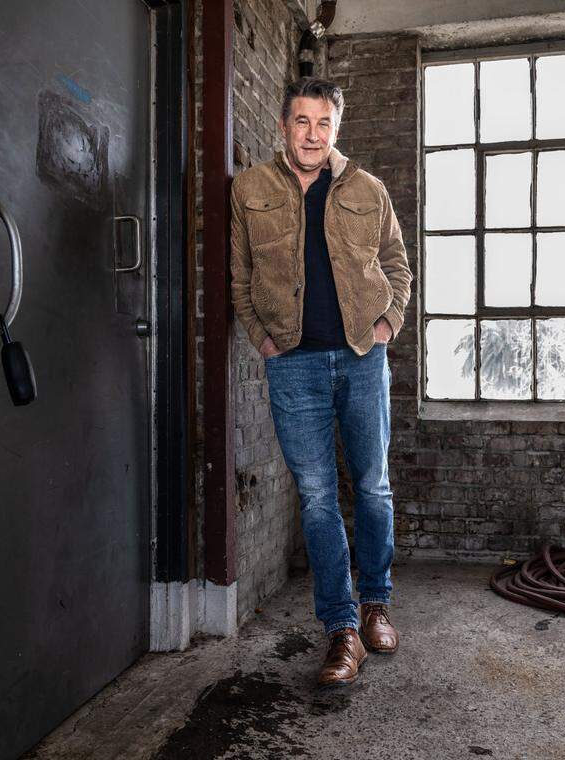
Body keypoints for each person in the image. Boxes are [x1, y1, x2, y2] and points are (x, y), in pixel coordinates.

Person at [229, 77, 413, 687]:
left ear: (336, 128)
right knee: (315, 497)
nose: (313, 134)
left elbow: (397, 266)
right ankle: (340, 630)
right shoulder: (251, 189)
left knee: (373, 485)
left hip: (362, 355)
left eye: (323, 123)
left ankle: (376, 603)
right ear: (283, 126)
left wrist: (388, 322)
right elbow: (240, 274)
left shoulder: (368, 189)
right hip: (294, 364)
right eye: (302, 122)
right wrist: (262, 339)